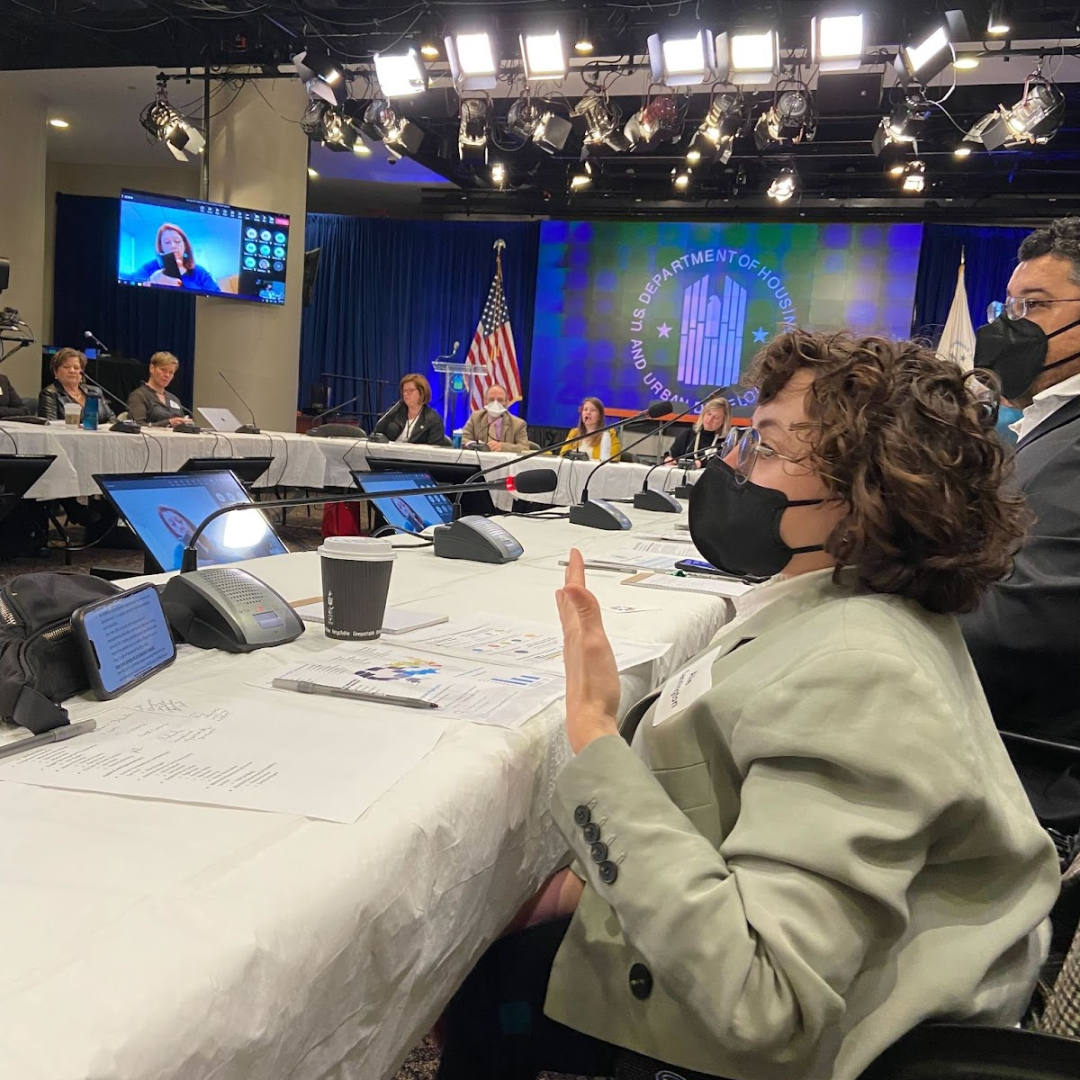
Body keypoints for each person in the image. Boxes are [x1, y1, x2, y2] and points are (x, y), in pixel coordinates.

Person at [436, 330, 1060, 1080]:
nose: (734, 470)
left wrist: (597, 734)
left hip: (792, 1044)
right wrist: (575, 884)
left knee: (481, 990)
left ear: (866, 488)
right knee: (487, 975)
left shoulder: (862, 670)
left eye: (763, 448)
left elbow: (762, 1001)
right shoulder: (844, 608)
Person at [961, 216, 1080, 831]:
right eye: (1010, 303)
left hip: (1028, 768)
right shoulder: (1050, 424)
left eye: (1035, 304)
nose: (1011, 324)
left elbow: (1021, 617)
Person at [133, 223, 219, 293]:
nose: (173, 246)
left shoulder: (199, 272)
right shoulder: (149, 268)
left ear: (185, 245)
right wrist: (150, 282)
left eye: (177, 241)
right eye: (167, 242)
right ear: (161, 247)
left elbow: (216, 296)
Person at [37, 347, 115, 423]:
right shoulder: (50, 393)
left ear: (82, 372)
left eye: (76, 368)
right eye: (66, 367)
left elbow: (112, 418)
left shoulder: (95, 391)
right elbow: (50, 424)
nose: (72, 371)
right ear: (55, 371)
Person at [374, 374, 446, 445]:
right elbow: (377, 434)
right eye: (404, 391)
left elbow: (435, 448)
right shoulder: (394, 411)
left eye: (410, 390)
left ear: (422, 392)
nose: (405, 394)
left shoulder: (433, 419)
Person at [127, 352, 192, 428]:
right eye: (163, 370)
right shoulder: (139, 396)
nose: (167, 375)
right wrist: (168, 423)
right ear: (152, 368)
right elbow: (137, 426)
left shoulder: (174, 399)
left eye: (171, 372)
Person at [664, 396, 731, 466]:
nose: (709, 419)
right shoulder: (688, 435)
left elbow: (724, 464)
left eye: (716, 417)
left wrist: (700, 464)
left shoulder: (726, 442)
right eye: (708, 414)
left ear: (724, 421)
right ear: (703, 414)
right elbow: (672, 455)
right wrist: (669, 459)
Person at [461, 385, 531, 451]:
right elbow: (463, 439)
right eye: (491, 400)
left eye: (500, 400)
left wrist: (502, 447)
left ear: (506, 403)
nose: (495, 404)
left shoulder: (518, 424)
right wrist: (477, 446)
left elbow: (524, 448)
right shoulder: (476, 417)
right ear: (485, 402)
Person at [559, 396, 620, 461]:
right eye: (585, 409)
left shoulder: (608, 434)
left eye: (593, 410)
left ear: (599, 416)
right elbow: (562, 454)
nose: (588, 412)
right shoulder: (574, 433)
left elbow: (614, 458)